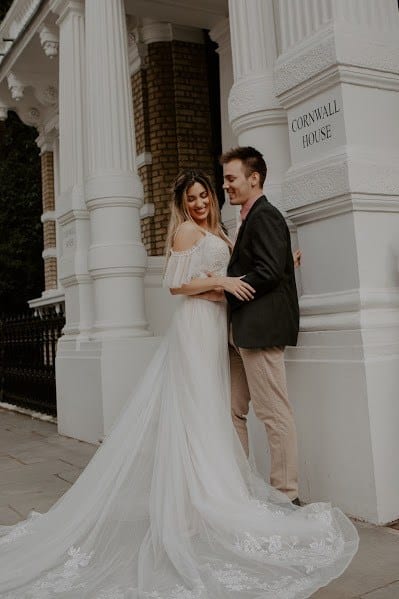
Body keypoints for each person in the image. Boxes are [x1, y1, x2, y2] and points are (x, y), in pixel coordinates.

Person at [0, 169, 358, 598]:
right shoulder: (187, 232)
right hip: (194, 330)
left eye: (204, 195)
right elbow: (175, 284)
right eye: (192, 198)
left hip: (217, 326)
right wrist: (222, 281)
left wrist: (274, 267)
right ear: (183, 203)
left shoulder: (220, 230)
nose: (200, 203)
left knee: (217, 410)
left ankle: (215, 493)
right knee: (197, 408)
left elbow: (229, 281)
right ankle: (198, 503)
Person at [220, 146, 300, 503]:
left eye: (231, 178)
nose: (226, 185)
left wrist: (225, 287)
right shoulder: (249, 218)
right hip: (241, 334)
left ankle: (287, 495)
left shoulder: (264, 216)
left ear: (254, 179)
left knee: (274, 414)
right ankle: (240, 490)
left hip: (260, 331)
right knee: (231, 411)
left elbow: (269, 271)